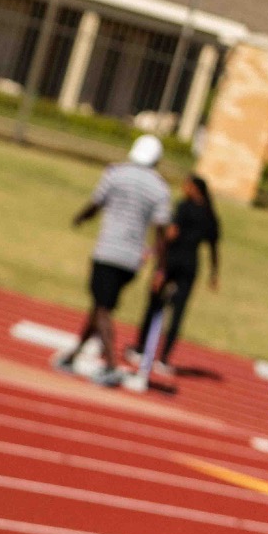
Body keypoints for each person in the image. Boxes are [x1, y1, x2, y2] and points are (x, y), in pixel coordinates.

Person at [55, 133, 172, 388]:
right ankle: (73, 357)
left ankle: (110, 365)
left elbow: (96, 203)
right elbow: (161, 231)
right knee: (100, 306)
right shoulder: (160, 188)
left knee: (103, 308)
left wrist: (80, 218)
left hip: (108, 251)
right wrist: (161, 266)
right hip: (132, 259)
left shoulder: (116, 173)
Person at [127, 172, 221, 387]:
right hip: (190, 265)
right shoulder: (210, 215)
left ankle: (140, 348)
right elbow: (214, 247)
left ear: (194, 188)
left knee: (154, 303)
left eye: (186, 184)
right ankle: (164, 358)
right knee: (178, 311)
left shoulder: (184, 207)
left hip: (172, 261)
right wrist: (214, 274)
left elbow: (171, 233)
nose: (183, 187)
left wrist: (153, 251)